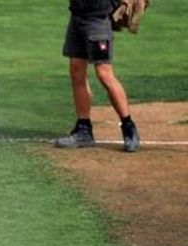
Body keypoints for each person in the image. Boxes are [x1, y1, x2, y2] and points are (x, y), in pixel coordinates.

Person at [55, 0, 141, 152]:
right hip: (77, 17)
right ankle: (83, 129)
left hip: (97, 19)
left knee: (104, 73)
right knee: (76, 71)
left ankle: (129, 128)